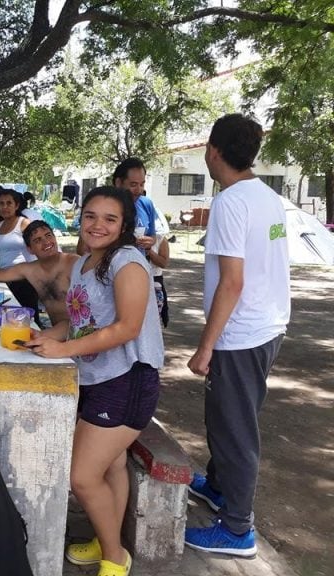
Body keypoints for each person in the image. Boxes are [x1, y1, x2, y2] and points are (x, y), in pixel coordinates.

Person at [26, 186, 164, 576]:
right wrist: (46, 338)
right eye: (90, 216)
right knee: (111, 466)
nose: (97, 225)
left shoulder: (127, 260)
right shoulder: (86, 263)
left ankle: (116, 559)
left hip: (128, 378)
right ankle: (109, 540)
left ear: (123, 226)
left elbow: (128, 327)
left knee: (82, 478)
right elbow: (80, 321)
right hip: (100, 377)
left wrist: (64, 351)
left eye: (109, 218)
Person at [184, 114, 290, 557]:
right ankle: (221, 488)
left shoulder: (230, 202)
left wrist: (206, 346)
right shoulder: (268, 197)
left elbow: (232, 282)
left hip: (241, 334)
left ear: (213, 151)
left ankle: (237, 529)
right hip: (268, 326)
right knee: (229, 421)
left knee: (234, 430)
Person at [0, 220, 78, 327]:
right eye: (37, 240)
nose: (46, 242)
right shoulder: (30, 269)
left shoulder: (74, 263)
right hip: (58, 332)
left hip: (80, 334)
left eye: (48, 235)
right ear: (30, 249)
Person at [0, 188, 40, 320]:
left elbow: (37, 247)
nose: (5, 207)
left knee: (27, 319)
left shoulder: (23, 223)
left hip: (24, 280)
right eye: (1, 203)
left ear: (16, 205)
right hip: (4, 278)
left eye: (9, 203)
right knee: (6, 318)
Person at [111, 158, 158, 252]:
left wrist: (151, 241)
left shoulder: (146, 204)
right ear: (119, 183)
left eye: (142, 184)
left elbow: (153, 235)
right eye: (133, 185)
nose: (139, 190)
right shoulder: (103, 206)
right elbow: (83, 248)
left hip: (139, 263)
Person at [147, 234, 170, 327]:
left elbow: (163, 263)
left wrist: (149, 251)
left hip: (155, 280)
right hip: (134, 280)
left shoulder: (161, 239)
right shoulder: (129, 237)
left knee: (154, 317)